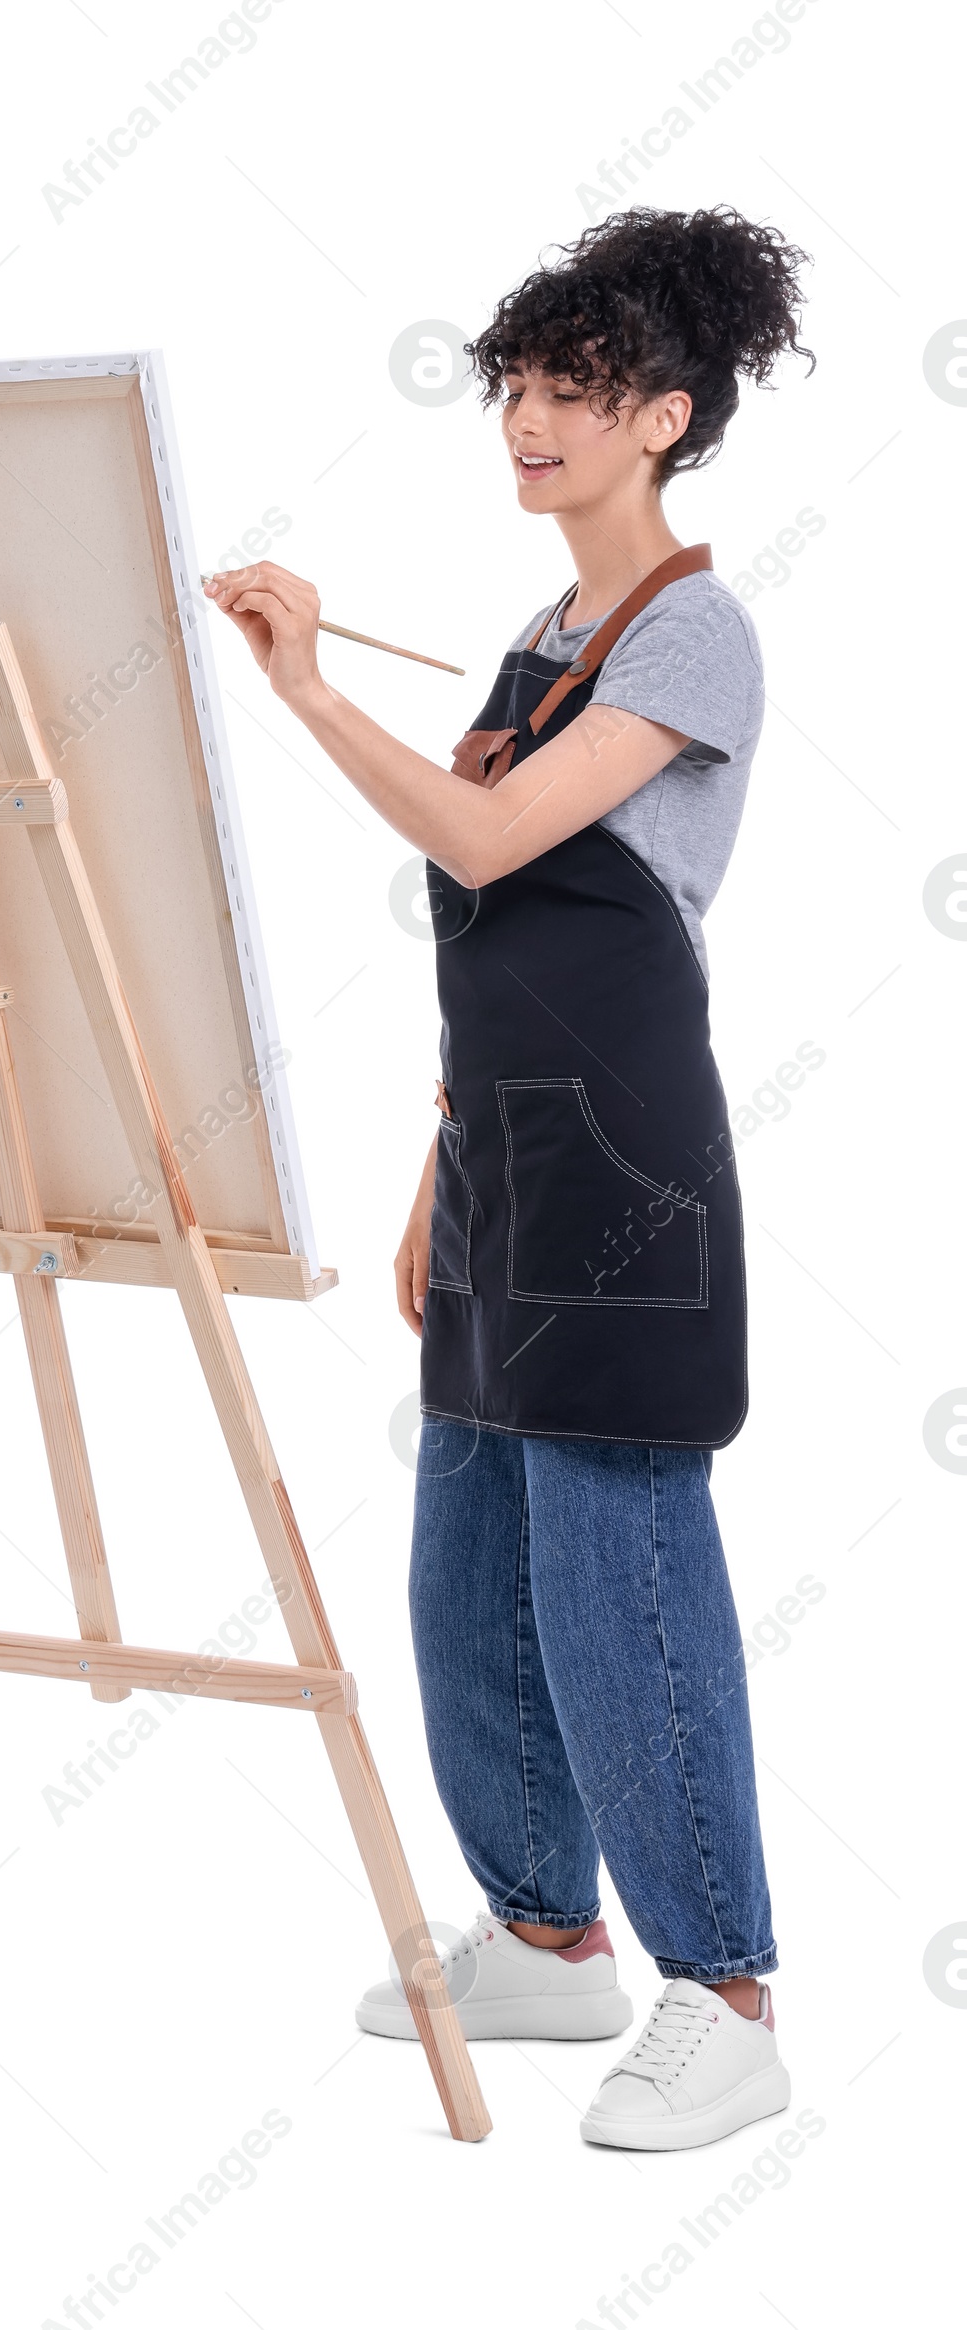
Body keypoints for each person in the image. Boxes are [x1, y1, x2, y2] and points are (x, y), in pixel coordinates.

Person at [205, 207, 812, 2152]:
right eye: (514, 388)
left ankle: (720, 1992)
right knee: (466, 1568)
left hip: (626, 1175)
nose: (527, 423)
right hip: (496, 1162)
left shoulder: (690, 627)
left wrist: (303, 692)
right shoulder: (537, 634)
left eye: (571, 392)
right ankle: (547, 1943)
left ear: (663, 414)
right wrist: (436, 1166)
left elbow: (487, 846)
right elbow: (498, 953)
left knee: (614, 1572)